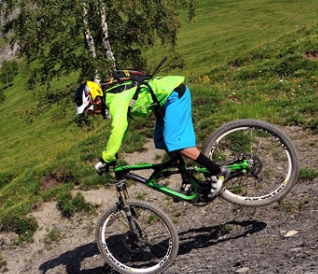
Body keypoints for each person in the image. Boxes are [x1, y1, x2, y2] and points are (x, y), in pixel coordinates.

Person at [73, 75, 228, 199]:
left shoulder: (115, 99)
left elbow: (118, 128)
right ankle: (187, 180)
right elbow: (123, 127)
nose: (90, 112)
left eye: (89, 108)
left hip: (174, 95)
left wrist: (106, 158)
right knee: (162, 141)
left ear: (97, 99)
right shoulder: (112, 96)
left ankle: (217, 172)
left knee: (176, 143)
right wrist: (113, 153)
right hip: (163, 102)